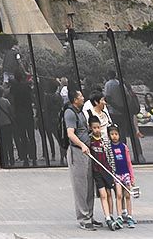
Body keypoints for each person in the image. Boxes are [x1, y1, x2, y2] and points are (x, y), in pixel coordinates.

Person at [64, 88, 96, 229]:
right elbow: (70, 134)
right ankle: (83, 218)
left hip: (87, 151)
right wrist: (82, 144)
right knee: (80, 186)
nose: (83, 97)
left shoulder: (81, 112)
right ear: (75, 99)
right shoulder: (70, 113)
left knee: (89, 185)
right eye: (80, 96)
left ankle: (90, 215)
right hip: (77, 152)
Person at [87, 116, 120, 230]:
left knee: (109, 193)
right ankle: (107, 218)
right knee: (103, 194)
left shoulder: (105, 139)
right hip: (97, 172)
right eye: (94, 127)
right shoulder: (89, 140)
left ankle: (111, 215)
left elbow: (110, 156)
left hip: (107, 170)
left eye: (98, 127)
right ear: (90, 128)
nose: (97, 130)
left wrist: (113, 170)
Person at [107, 123, 137, 229]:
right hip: (116, 175)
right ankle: (119, 216)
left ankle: (129, 216)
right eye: (112, 134)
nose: (114, 136)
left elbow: (129, 162)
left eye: (116, 134)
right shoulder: (109, 148)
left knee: (128, 195)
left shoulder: (124, 147)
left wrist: (132, 177)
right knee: (119, 195)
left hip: (126, 174)